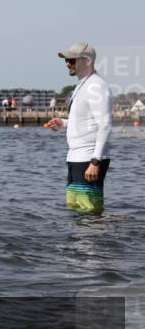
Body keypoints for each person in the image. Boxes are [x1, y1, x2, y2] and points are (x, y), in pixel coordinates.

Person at [45, 43, 113, 213]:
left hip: (89, 159)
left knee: (90, 213)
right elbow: (85, 119)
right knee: (75, 211)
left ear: (87, 60)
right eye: (66, 59)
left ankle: (101, 237)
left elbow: (105, 125)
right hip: (76, 158)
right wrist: (64, 123)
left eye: (71, 59)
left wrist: (95, 161)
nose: (67, 63)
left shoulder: (96, 86)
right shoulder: (82, 84)